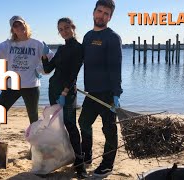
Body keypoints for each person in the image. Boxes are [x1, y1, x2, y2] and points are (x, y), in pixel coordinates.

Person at [0, 15, 53, 157]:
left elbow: (52, 60)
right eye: (15, 26)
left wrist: (42, 69)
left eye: (21, 24)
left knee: (33, 119)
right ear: (12, 29)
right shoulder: (8, 45)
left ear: (26, 25)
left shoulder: (38, 44)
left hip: (31, 86)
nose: (19, 27)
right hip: (11, 86)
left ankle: (35, 150)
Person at [78, 0, 122, 178]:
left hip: (107, 93)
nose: (101, 16)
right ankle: (87, 155)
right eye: (99, 11)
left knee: (109, 130)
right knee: (84, 122)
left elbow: (116, 67)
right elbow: (80, 61)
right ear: (93, 12)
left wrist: (116, 94)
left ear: (110, 17)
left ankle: (107, 165)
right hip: (91, 92)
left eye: (106, 13)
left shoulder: (112, 37)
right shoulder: (88, 36)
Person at [41, 17, 87, 178]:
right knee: (57, 125)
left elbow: (74, 73)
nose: (64, 31)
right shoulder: (61, 49)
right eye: (61, 29)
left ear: (73, 28)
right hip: (53, 90)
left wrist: (65, 92)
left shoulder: (79, 48)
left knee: (70, 125)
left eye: (66, 27)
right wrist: (44, 55)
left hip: (67, 93)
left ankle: (80, 163)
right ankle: (60, 158)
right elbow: (47, 70)